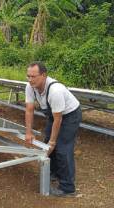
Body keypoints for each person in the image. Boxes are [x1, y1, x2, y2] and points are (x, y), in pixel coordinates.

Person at [24, 61, 82, 197]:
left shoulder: (55, 90)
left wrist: (53, 142)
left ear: (44, 75)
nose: (30, 79)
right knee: (47, 144)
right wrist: (28, 132)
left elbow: (58, 119)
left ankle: (68, 188)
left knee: (62, 148)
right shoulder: (30, 87)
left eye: (34, 76)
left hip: (70, 115)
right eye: (28, 76)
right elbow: (29, 109)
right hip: (54, 115)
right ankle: (54, 173)